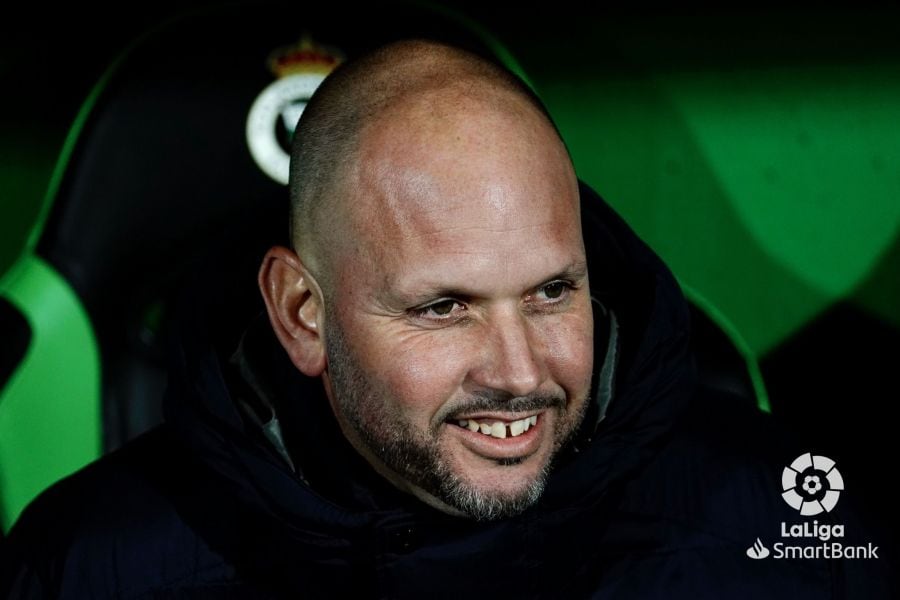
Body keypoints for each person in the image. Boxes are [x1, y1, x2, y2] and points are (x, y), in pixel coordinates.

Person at [1, 39, 893, 599]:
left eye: (551, 292)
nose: (519, 372)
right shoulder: (89, 566)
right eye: (445, 307)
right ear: (301, 314)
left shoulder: (791, 525)